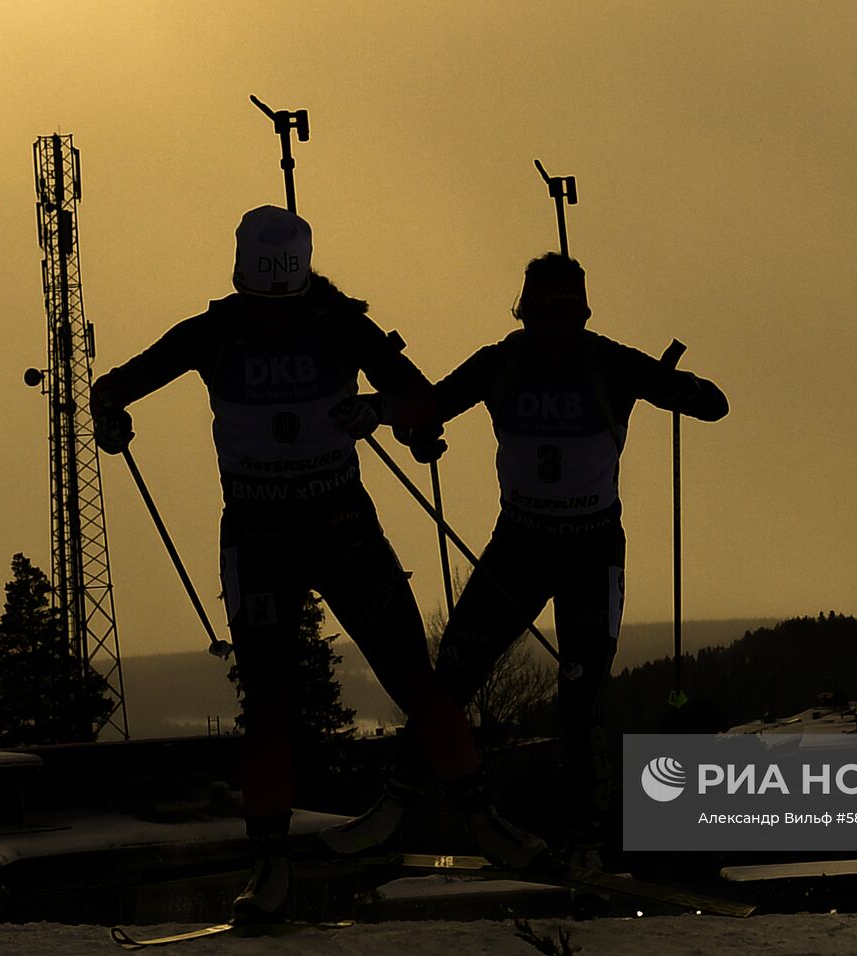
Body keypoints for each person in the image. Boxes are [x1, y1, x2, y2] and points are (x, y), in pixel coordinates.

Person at [90, 206, 543, 924]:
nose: (272, 318)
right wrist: (110, 414)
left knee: (399, 683)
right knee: (282, 703)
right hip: (283, 532)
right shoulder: (249, 326)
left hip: (316, 529)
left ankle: (472, 818)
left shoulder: (302, 324)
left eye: (280, 303)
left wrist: (390, 416)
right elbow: (114, 385)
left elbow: (417, 400)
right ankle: (279, 863)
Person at [429, 251, 728, 869]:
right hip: (543, 548)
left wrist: (687, 391)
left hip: (567, 551)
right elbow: (711, 404)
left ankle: (581, 839)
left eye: (558, 325)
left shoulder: (532, 361)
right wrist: (685, 389)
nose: (553, 340)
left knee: (569, 695)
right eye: (546, 325)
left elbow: (712, 404)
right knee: (467, 677)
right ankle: (508, 822)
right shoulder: (580, 360)